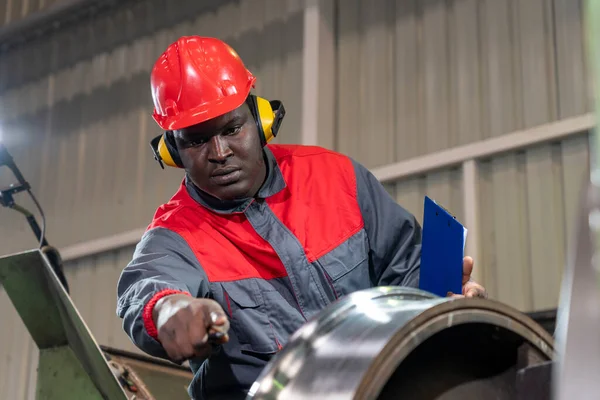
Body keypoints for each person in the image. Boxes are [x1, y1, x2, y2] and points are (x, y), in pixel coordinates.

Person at [116, 36, 486, 400]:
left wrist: (446, 297)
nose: (220, 152)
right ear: (173, 151)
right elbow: (147, 288)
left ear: (261, 121)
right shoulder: (175, 235)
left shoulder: (337, 179)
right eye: (196, 141)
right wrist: (169, 311)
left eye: (232, 129)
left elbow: (405, 268)